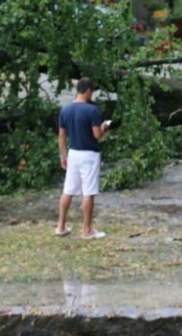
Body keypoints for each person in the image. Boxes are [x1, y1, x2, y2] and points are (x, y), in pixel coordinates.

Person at [56, 77, 111, 240]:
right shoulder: (92, 110)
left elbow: (61, 135)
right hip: (89, 154)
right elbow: (97, 135)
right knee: (89, 191)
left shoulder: (65, 110)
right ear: (87, 90)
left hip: (73, 153)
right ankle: (87, 230)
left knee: (68, 190)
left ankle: (61, 226)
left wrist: (63, 155)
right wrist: (105, 127)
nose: (92, 95)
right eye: (92, 91)